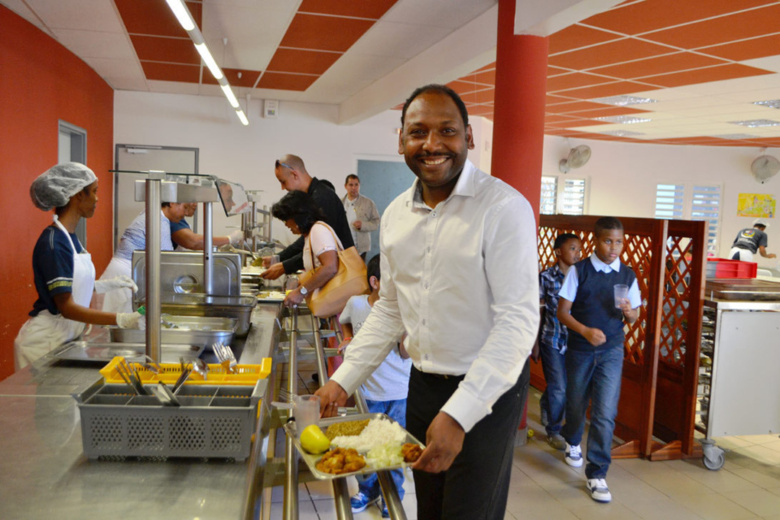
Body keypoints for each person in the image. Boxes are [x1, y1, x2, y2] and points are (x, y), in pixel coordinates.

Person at [314, 84, 539, 520]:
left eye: (447, 131)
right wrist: (345, 378)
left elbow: (517, 322)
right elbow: (391, 308)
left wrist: (459, 414)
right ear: (401, 140)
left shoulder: (504, 209)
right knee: (430, 509)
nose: (432, 145)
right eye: (418, 132)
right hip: (423, 383)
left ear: (469, 137)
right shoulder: (397, 214)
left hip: (487, 391)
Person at [15, 163, 144, 370]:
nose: (97, 198)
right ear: (77, 196)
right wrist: (121, 319)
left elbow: (72, 284)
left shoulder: (70, 238)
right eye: (94, 192)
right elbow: (67, 308)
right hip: (45, 341)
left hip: (66, 336)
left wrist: (107, 285)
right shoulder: (54, 243)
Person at [556, 217, 641, 504]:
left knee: (605, 411)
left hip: (612, 351)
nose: (614, 247)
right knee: (577, 403)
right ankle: (571, 439)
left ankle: (597, 473)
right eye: (608, 241)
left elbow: (634, 316)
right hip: (581, 349)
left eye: (619, 241)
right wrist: (585, 331)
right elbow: (563, 312)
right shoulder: (579, 272)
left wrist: (630, 312)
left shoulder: (627, 275)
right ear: (595, 240)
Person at [339, 254, 411, 518]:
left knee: (392, 447)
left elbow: (405, 354)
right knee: (365, 445)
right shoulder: (356, 304)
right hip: (367, 393)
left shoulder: (403, 310)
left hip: (398, 393)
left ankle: (392, 496)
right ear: (376, 282)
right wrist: (349, 338)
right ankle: (367, 490)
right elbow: (345, 320)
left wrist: (409, 332)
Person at [260, 155, 354, 280]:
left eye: (283, 182)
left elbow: (314, 248)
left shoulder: (322, 198)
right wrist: (278, 259)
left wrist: (284, 266)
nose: (283, 188)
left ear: (294, 174)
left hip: (343, 277)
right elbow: (306, 242)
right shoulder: (313, 196)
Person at [99, 202, 188, 313]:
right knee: (117, 320)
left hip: (121, 272)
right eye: (184, 207)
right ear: (172, 203)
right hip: (125, 274)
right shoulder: (159, 220)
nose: (185, 213)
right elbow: (166, 261)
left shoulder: (151, 213)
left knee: (111, 318)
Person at [537, 233, 582, 451]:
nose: (577, 253)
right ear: (558, 252)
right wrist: (535, 342)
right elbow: (538, 311)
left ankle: (546, 406)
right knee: (559, 387)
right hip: (551, 339)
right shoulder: (545, 277)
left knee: (562, 386)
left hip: (574, 342)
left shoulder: (581, 276)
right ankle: (554, 431)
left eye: (579, 249)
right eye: (572, 248)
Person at [269, 190, 341, 309]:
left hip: (335, 302)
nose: (286, 225)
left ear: (298, 216)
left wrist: (300, 292)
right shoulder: (310, 234)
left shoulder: (318, 230)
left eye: (286, 219)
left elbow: (330, 267)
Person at [170, 202, 244, 250]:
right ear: (172, 203)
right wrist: (230, 239)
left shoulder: (179, 218)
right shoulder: (173, 218)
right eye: (191, 200)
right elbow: (193, 241)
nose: (195, 204)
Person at [342, 174, 381, 261]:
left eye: (356, 185)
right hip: (343, 248)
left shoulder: (368, 203)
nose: (354, 188)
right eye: (351, 185)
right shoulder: (340, 203)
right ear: (345, 186)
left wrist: (363, 225)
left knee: (360, 273)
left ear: (359, 185)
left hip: (361, 248)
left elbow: (376, 223)